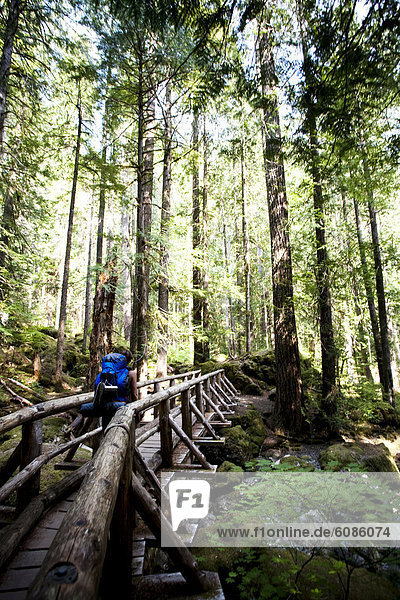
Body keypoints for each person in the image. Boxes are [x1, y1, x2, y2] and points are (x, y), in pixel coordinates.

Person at [80, 349, 137, 430]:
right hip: (121, 407)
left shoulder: (108, 371)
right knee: (120, 432)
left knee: (106, 430)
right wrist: (136, 411)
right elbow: (134, 395)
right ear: (128, 361)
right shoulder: (131, 373)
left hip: (106, 406)